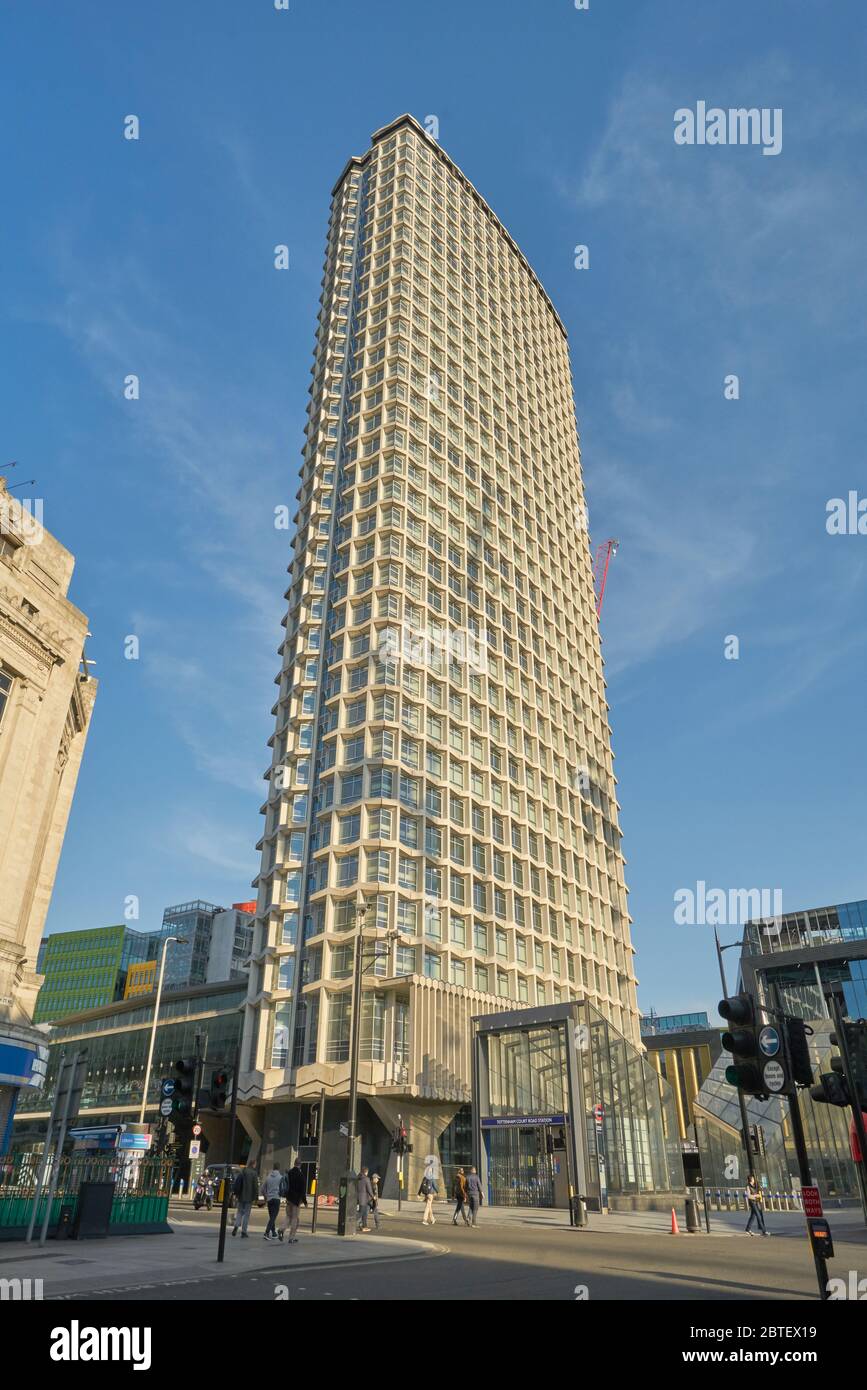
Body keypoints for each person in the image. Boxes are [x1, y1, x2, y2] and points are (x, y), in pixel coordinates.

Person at [279, 1160, 307, 1243]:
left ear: (294, 1163)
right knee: (295, 1218)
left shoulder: (289, 1173)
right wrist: (305, 1201)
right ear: (300, 1165)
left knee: (288, 1216)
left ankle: (281, 1229)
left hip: (288, 1198)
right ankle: (291, 1238)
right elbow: (302, 1190)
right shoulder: (301, 1175)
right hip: (296, 1200)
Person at [231, 1160, 259, 1238]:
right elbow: (255, 1187)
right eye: (255, 1164)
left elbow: (238, 1182)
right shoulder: (254, 1173)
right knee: (246, 1214)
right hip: (249, 1197)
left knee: (239, 1212)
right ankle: (244, 1231)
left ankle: (236, 1226)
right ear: (253, 1164)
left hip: (241, 1196)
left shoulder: (243, 1171)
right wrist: (256, 1197)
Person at [262, 1164, 283, 1240]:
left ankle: (274, 1233)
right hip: (276, 1198)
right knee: (273, 1217)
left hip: (269, 1199)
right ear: (279, 1168)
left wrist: (265, 1197)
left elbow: (262, 1189)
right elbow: (282, 1188)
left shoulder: (268, 1177)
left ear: (273, 1168)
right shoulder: (281, 1177)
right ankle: (266, 1233)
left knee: (272, 1217)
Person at [356, 1166, 374, 1233]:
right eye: (367, 1172)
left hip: (359, 1198)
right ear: (366, 1172)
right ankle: (350, 1221)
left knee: (364, 1214)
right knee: (361, 1213)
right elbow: (369, 1189)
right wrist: (373, 1196)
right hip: (364, 1199)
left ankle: (364, 1227)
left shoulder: (358, 1178)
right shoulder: (366, 1179)